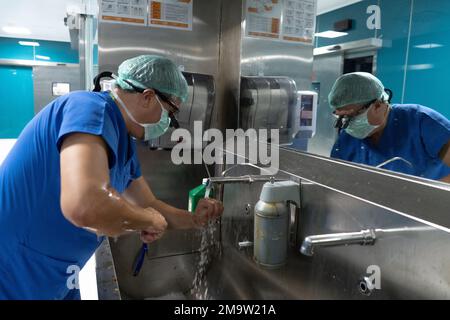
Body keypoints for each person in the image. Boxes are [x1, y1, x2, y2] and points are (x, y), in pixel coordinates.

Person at [0, 55, 223, 300]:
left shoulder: (122, 140)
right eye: (169, 113)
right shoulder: (89, 108)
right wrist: (145, 220)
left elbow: (149, 205)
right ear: (148, 96)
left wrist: (194, 219)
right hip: (15, 270)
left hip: (58, 273)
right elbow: (85, 203)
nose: (168, 124)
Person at [328, 72, 450, 182]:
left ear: (378, 105)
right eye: (341, 117)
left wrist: (427, 196)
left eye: (352, 115)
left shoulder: (420, 121)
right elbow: (336, 179)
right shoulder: (347, 138)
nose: (347, 124)